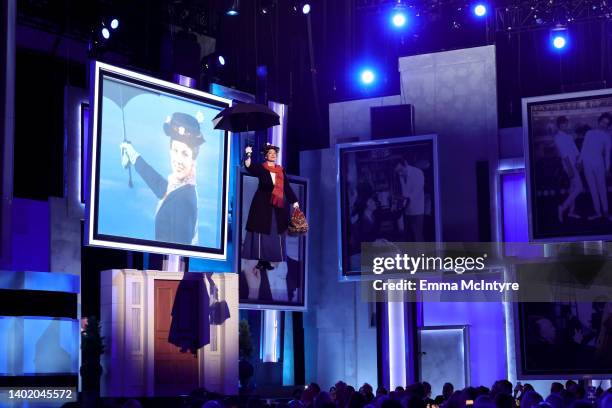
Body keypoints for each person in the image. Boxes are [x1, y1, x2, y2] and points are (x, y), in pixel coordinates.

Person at [120, 112, 204, 245]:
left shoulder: (183, 201)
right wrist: (133, 155)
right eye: (175, 150)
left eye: (185, 153)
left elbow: (179, 250)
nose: (178, 160)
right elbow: (160, 186)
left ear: (193, 159)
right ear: (170, 150)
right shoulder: (182, 187)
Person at [242, 143, 300, 271]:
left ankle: (271, 258)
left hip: (277, 205)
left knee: (275, 231)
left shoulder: (280, 170)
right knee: (262, 231)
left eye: (275, 153)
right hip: (262, 204)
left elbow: (287, 187)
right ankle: (261, 259)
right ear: (266, 156)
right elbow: (249, 166)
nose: (273, 155)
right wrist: (248, 153)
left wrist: (294, 201)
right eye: (270, 153)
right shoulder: (262, 168)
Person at [579, 113, 612, 221]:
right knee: (593, 189)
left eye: (606, 124)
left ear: (608, 126)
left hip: (599, 164)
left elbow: (607, 154)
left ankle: (606, 212)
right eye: (603, 122)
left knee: (602, 189)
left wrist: (607, 169)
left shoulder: (607, 137)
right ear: (599, 121)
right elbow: (583, 149)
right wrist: (580, 162)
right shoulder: (589, 133)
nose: (603, 125)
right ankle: (598, 212)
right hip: (587, 164)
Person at [553, 116, 583, 222]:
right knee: (579, 188)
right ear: (558, 125)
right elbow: (564, 155)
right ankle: (562, 208)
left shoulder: (568, 136)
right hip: (568, 165)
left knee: (573, 189)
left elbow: (575, 150)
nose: (564, 126)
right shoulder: (558, 138)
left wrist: (579, 163)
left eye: (565, 124)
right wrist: (570, 169)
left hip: (574, 164)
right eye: (562, 124)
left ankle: (571, 212)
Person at [395, 155, 425, 242]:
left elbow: (415, 193)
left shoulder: (417, 173)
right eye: (397, 172)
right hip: (407, 210)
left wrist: (401, 198)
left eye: (400, 170)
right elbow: (405, 193)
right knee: (409, 237)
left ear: (405, 163)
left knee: (418, 236)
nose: (399, 174)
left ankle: (422, 255)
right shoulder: (401, 175)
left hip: (417, 210)